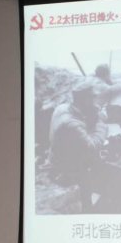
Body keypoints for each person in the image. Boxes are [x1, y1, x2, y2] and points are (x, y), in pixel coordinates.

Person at [48, 80, 109, 211]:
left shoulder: (63, 107)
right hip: (65, 170)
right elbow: (92, 145)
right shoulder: (71, 123)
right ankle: (88, 208)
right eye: (93, 97)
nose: (95, 101)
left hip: (58, 157)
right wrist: (101, 121)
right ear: (85, 100)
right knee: (103, 169)